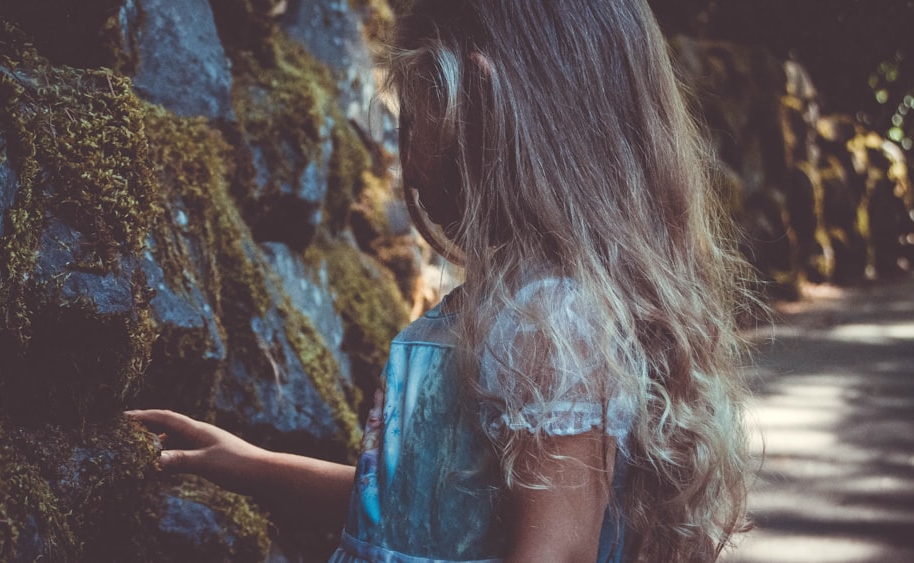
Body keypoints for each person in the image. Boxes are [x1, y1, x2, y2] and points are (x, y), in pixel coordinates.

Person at [128, 0, 758, 561]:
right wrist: (256, 468)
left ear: (476, 103)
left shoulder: (549, 321)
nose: (402, 142)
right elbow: (429, 511)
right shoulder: (522, 308)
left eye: (411, 110)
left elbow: (556, 550)